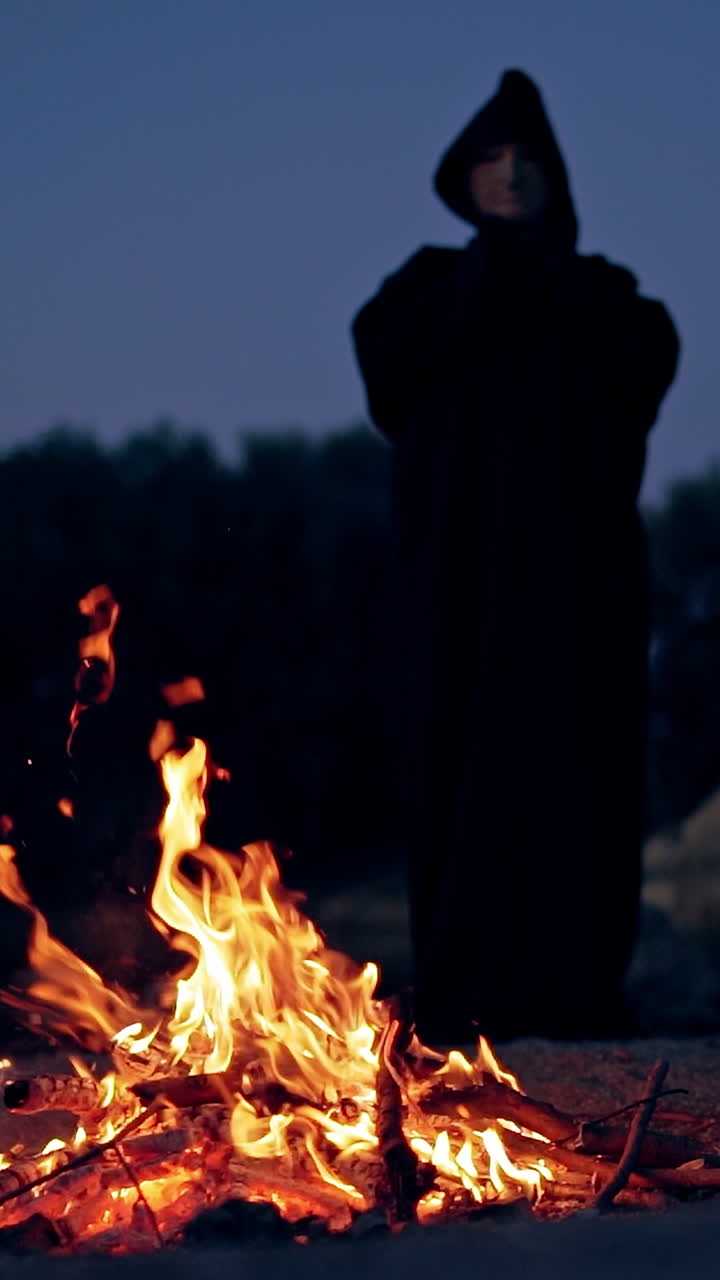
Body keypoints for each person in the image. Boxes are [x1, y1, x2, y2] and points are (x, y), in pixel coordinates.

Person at [351, 69, 679, 1042]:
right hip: (454, 591)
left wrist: (546, 285)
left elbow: (647, 362)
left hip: (582, 592)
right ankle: (464, 994)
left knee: (582, 771)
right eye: (491, 157)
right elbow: (385, 368)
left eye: (527, 157)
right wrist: (491, 287)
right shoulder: (424, 292)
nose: (510, 173)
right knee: (459, 771)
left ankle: (580, 992)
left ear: (555, 176)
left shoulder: (604, 298)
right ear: (463, 178)